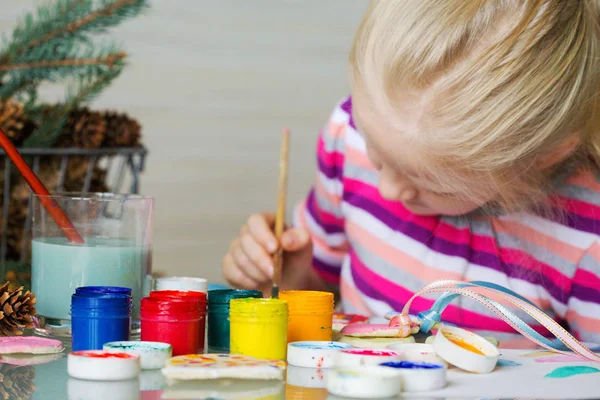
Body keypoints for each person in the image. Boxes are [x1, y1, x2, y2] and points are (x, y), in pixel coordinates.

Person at [222, 0, 600, 346]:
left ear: (545, 156)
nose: (386, 189)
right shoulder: (347, 138)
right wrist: (286, 278)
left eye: (432, 183)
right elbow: (323, 297)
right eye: (377, 152)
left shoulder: (587, 244)